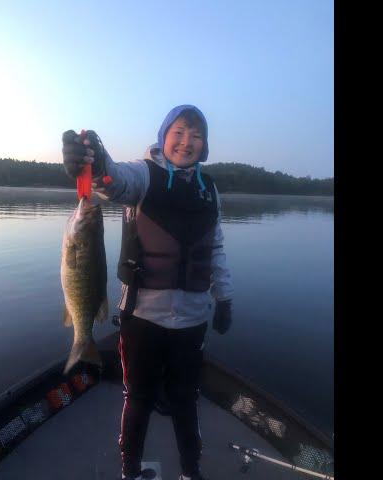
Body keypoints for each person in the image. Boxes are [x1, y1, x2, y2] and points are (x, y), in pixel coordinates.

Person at [62, 105, 233, 480]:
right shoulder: (143, 175)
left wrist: (225, 296)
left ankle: (191, 473)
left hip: (192, 319)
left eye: (196, 135)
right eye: (179, 132)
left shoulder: (210, 190)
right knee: (137, 400)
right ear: (163, 136)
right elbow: (114, 182)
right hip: (142, 318)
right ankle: (130, 472)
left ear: (204, 146)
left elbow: (215, 246)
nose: (186, 142)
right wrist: (96, 161)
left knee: (186, 402)